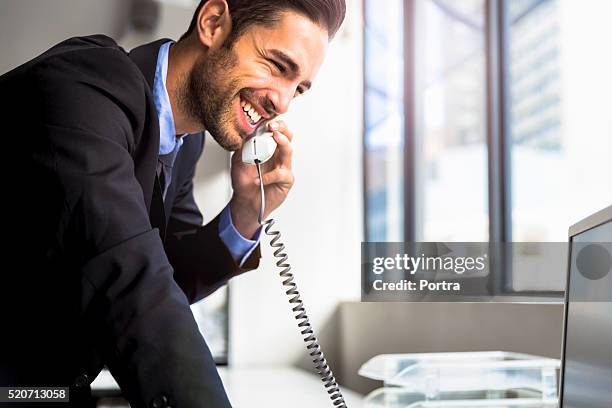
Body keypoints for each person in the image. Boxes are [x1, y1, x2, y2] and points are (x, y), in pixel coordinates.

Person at [0, 0, 345, 406]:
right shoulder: (87, 86)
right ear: (213, 23)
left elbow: (171, 275)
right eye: (277, 65)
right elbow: (132, 280)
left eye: (298, 88)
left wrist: (247, 213)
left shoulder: (186, 141)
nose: (284, 103)